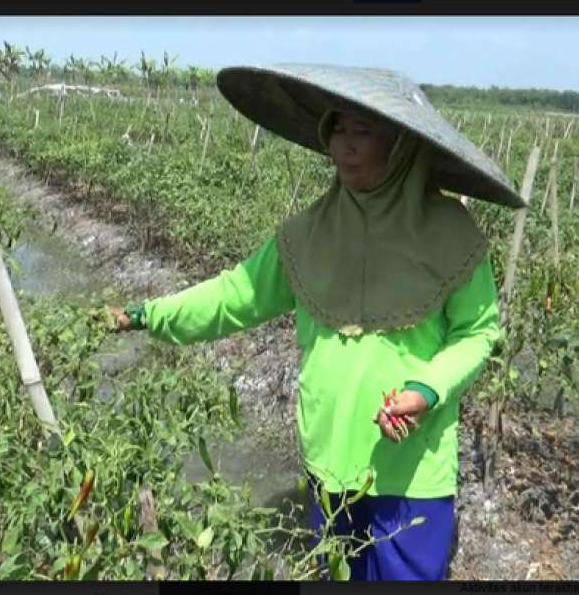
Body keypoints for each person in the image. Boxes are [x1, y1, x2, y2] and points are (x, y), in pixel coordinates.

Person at [108, 63, 525, 581]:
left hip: (413, 465)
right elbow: (235, 295)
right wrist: (147, 314)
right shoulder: (307, 234)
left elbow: (477, 332)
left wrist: (426, 390)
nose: (346, 145)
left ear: (401, 146)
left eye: (364, 132)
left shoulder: (452, 236)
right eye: (339, 130)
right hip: (329, 454)